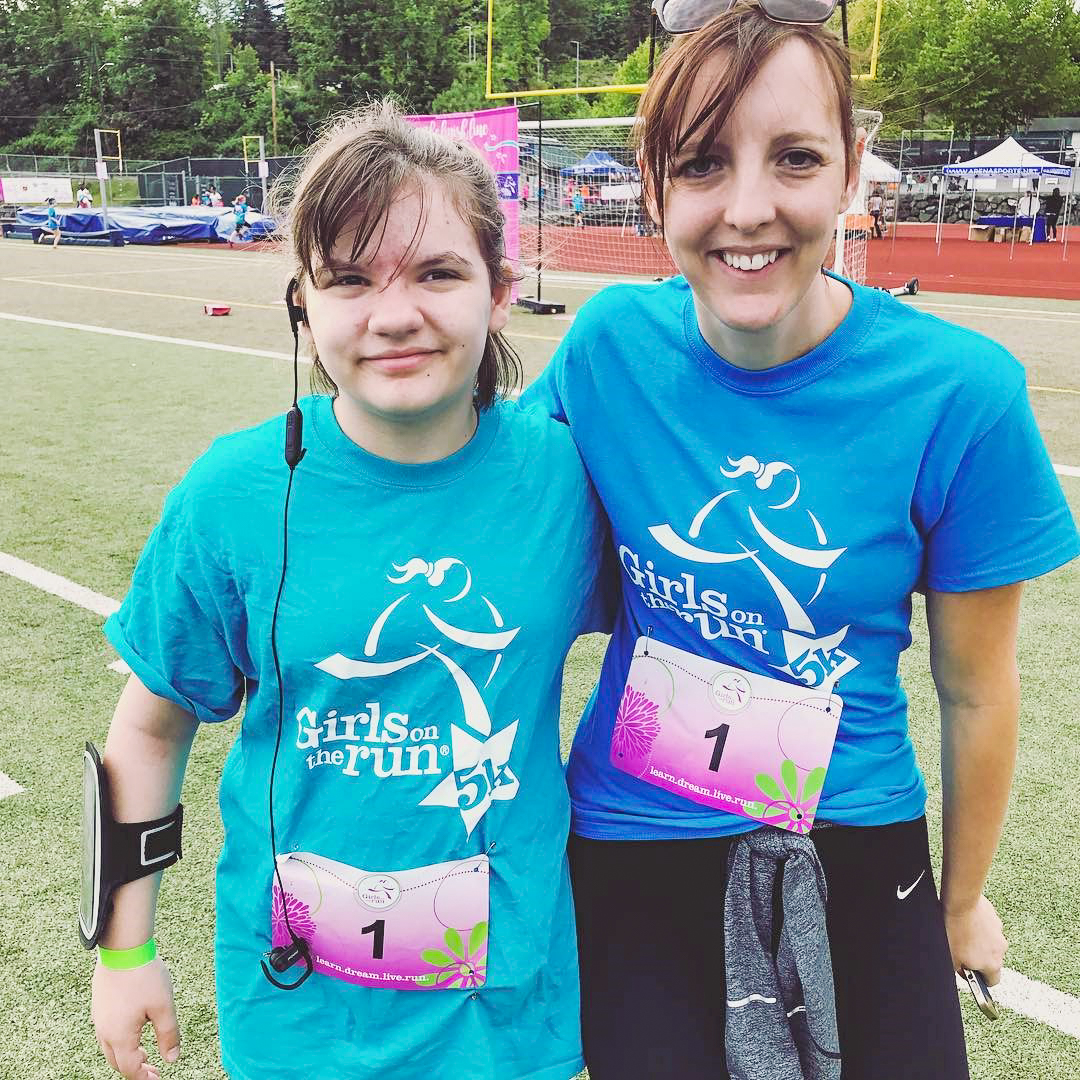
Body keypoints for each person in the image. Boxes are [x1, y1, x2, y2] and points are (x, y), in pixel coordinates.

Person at [522, 4, 1079, 1079]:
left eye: (796, 158)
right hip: (633, 846)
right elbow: (503, 539)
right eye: (701, 163)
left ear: (852, 170)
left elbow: (976, 689)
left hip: (858, 841)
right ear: (653, 187)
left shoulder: (960, 392)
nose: (748, 209)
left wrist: (962, 900)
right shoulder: (607, 349)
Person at [89, 100, 609, 1080]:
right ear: (304, 305)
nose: (395, 314)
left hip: (510, 1017)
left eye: (437, 273)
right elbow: (149, 732)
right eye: (351, 279)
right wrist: (123, 950)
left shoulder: (569, 481)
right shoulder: (234, 494)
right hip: (297, 1019)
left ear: (501, 293)